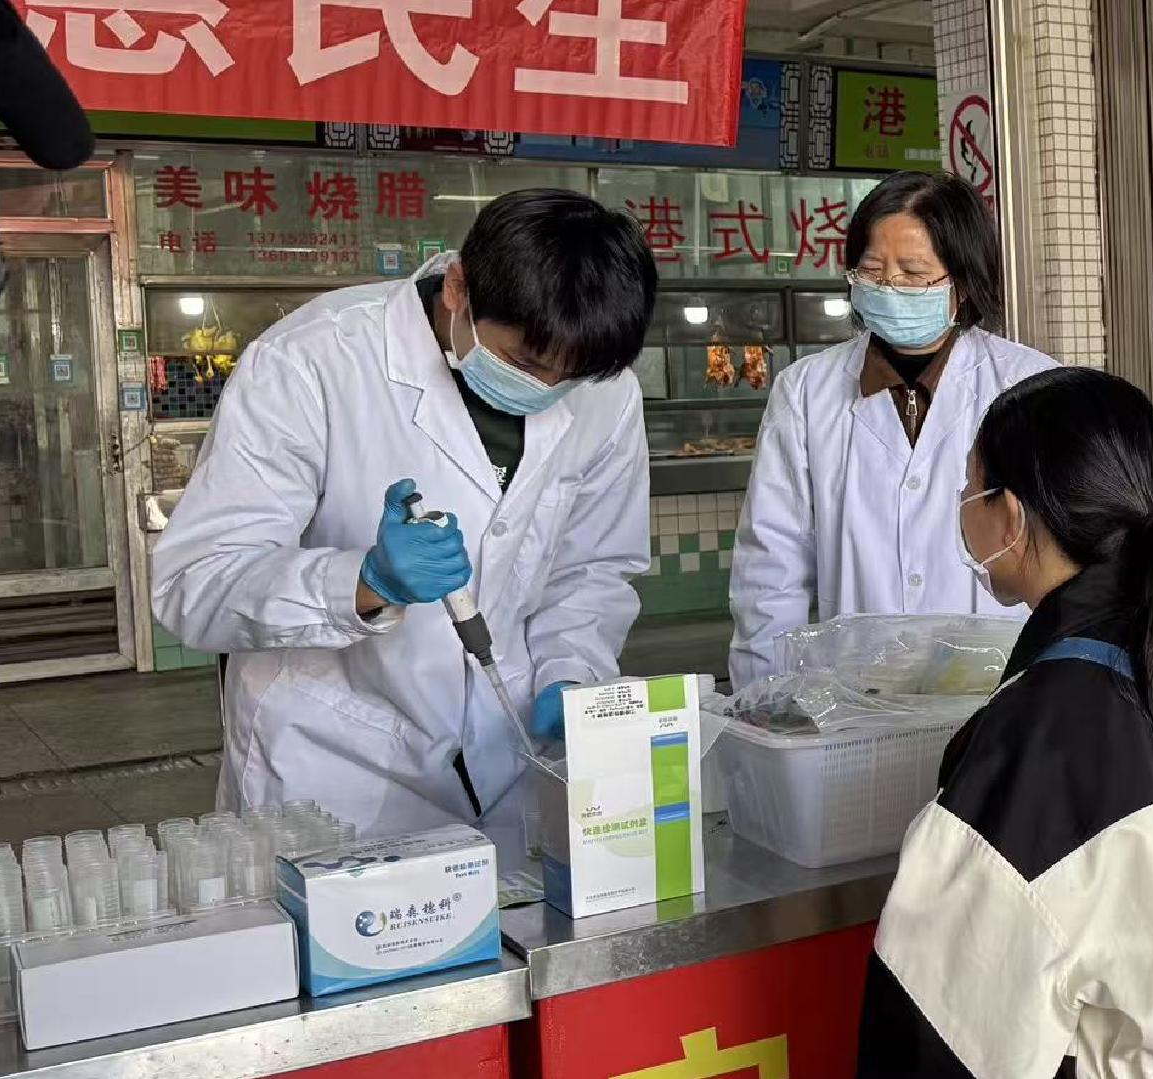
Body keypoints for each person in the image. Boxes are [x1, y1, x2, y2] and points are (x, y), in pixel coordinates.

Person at [857, 366, 1153, 1077]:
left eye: (971, 488)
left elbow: (938, 1021)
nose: (963, 507)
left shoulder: (1035, 739)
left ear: (1012, 516)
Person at [152, 189, 657, 861]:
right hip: (334, 769)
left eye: (570, 378)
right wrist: (363, 583)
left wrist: (570, 670)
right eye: (526, 365)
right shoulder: (312, 360)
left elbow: (592, 567)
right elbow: (195, 583)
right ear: (458, 288)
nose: (546, 389)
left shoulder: (604, 390)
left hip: (509, 758)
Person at [728, 171, 1056, 689]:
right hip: (853, 692)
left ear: (963, 281)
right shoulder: (806, 391)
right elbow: (771, 567)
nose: (888, 287)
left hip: (1002, 690)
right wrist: (767, 694)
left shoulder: (1029, 384)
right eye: (873, 270)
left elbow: (1063, 552)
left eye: (913, 273)